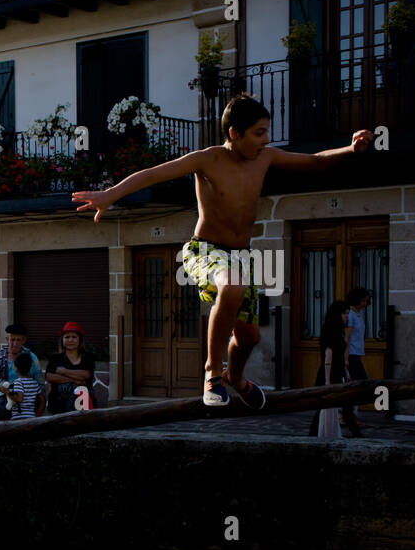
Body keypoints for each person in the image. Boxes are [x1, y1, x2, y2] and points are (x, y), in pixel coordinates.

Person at [74, 94, 373, 408]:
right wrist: (110, 194)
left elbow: (315, 161)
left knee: (249, 338)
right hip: (204, 251)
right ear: (234, 133)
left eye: (267, 132)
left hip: (241, 256)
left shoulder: (266, 157)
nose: (266, 139)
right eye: (259, 133)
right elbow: (152, 174)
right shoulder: (207, 159)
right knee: (232, 286)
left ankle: (237, 379)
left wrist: (350, 149)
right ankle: (212, 373)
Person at [309, 299, 362, 438]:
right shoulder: (330, 331)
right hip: (329, 375)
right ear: (337, 314)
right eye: (344, 314)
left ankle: (356, 435)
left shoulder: (339, 331)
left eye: (348, 313)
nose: (346, 317)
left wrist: (346, 371)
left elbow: (340, 356)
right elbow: (328, 356)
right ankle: (312, 436)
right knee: (326, 408)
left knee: (345, 407)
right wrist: (327, 380)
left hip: (337, 374)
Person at [0, 323, 43, 421]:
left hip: (26, 402)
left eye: (18, 340)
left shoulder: (32, 359)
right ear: (7, 339)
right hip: (3, 401)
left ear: (24, 340)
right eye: (12, 339)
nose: (15, 343)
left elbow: (40, 384)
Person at [45, 320, 97, 414]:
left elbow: (86, 375)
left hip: (82, 405)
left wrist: (62, 371)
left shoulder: (88, 357)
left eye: (74, 337)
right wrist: (74, 380)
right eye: (67, 337)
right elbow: (49, 377)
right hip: (57, 405)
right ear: (62, 339)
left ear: (80, 339)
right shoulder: (55, 358)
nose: (70, 340)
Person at [9, 351, 44, 420]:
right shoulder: (34, 383)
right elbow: (42, 400)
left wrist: (7, 392)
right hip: (31, 417)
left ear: (16, 368)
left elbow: (19, 399)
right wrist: (38, 414)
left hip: (19, 418)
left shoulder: (18, 382)